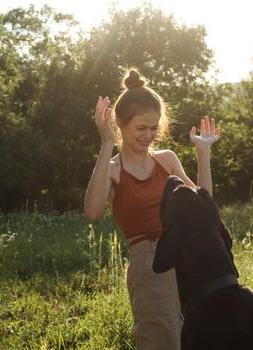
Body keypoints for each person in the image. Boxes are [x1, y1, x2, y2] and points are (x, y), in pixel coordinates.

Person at [84, 68, 220, 350]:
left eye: (154, 128)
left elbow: (203, 208)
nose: (149, 135)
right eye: (140, 128)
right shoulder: (112, 170)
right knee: (163, 340)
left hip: (188, 255)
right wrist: (107, 142)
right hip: (150, 262)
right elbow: (93, 211)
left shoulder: (166, 160)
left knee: (199, 336)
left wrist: (203, 153)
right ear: (119, 124)